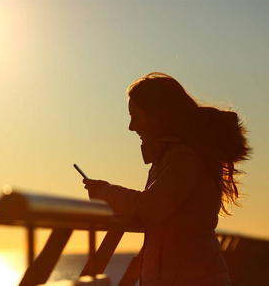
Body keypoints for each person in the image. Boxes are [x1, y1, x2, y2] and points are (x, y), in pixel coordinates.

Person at [83, 72, 251, 286]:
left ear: (158, 115)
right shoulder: (174, 157)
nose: (131, 127)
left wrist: (104, 193)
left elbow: (150, 208)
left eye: (135, 117)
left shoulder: (184, 158)